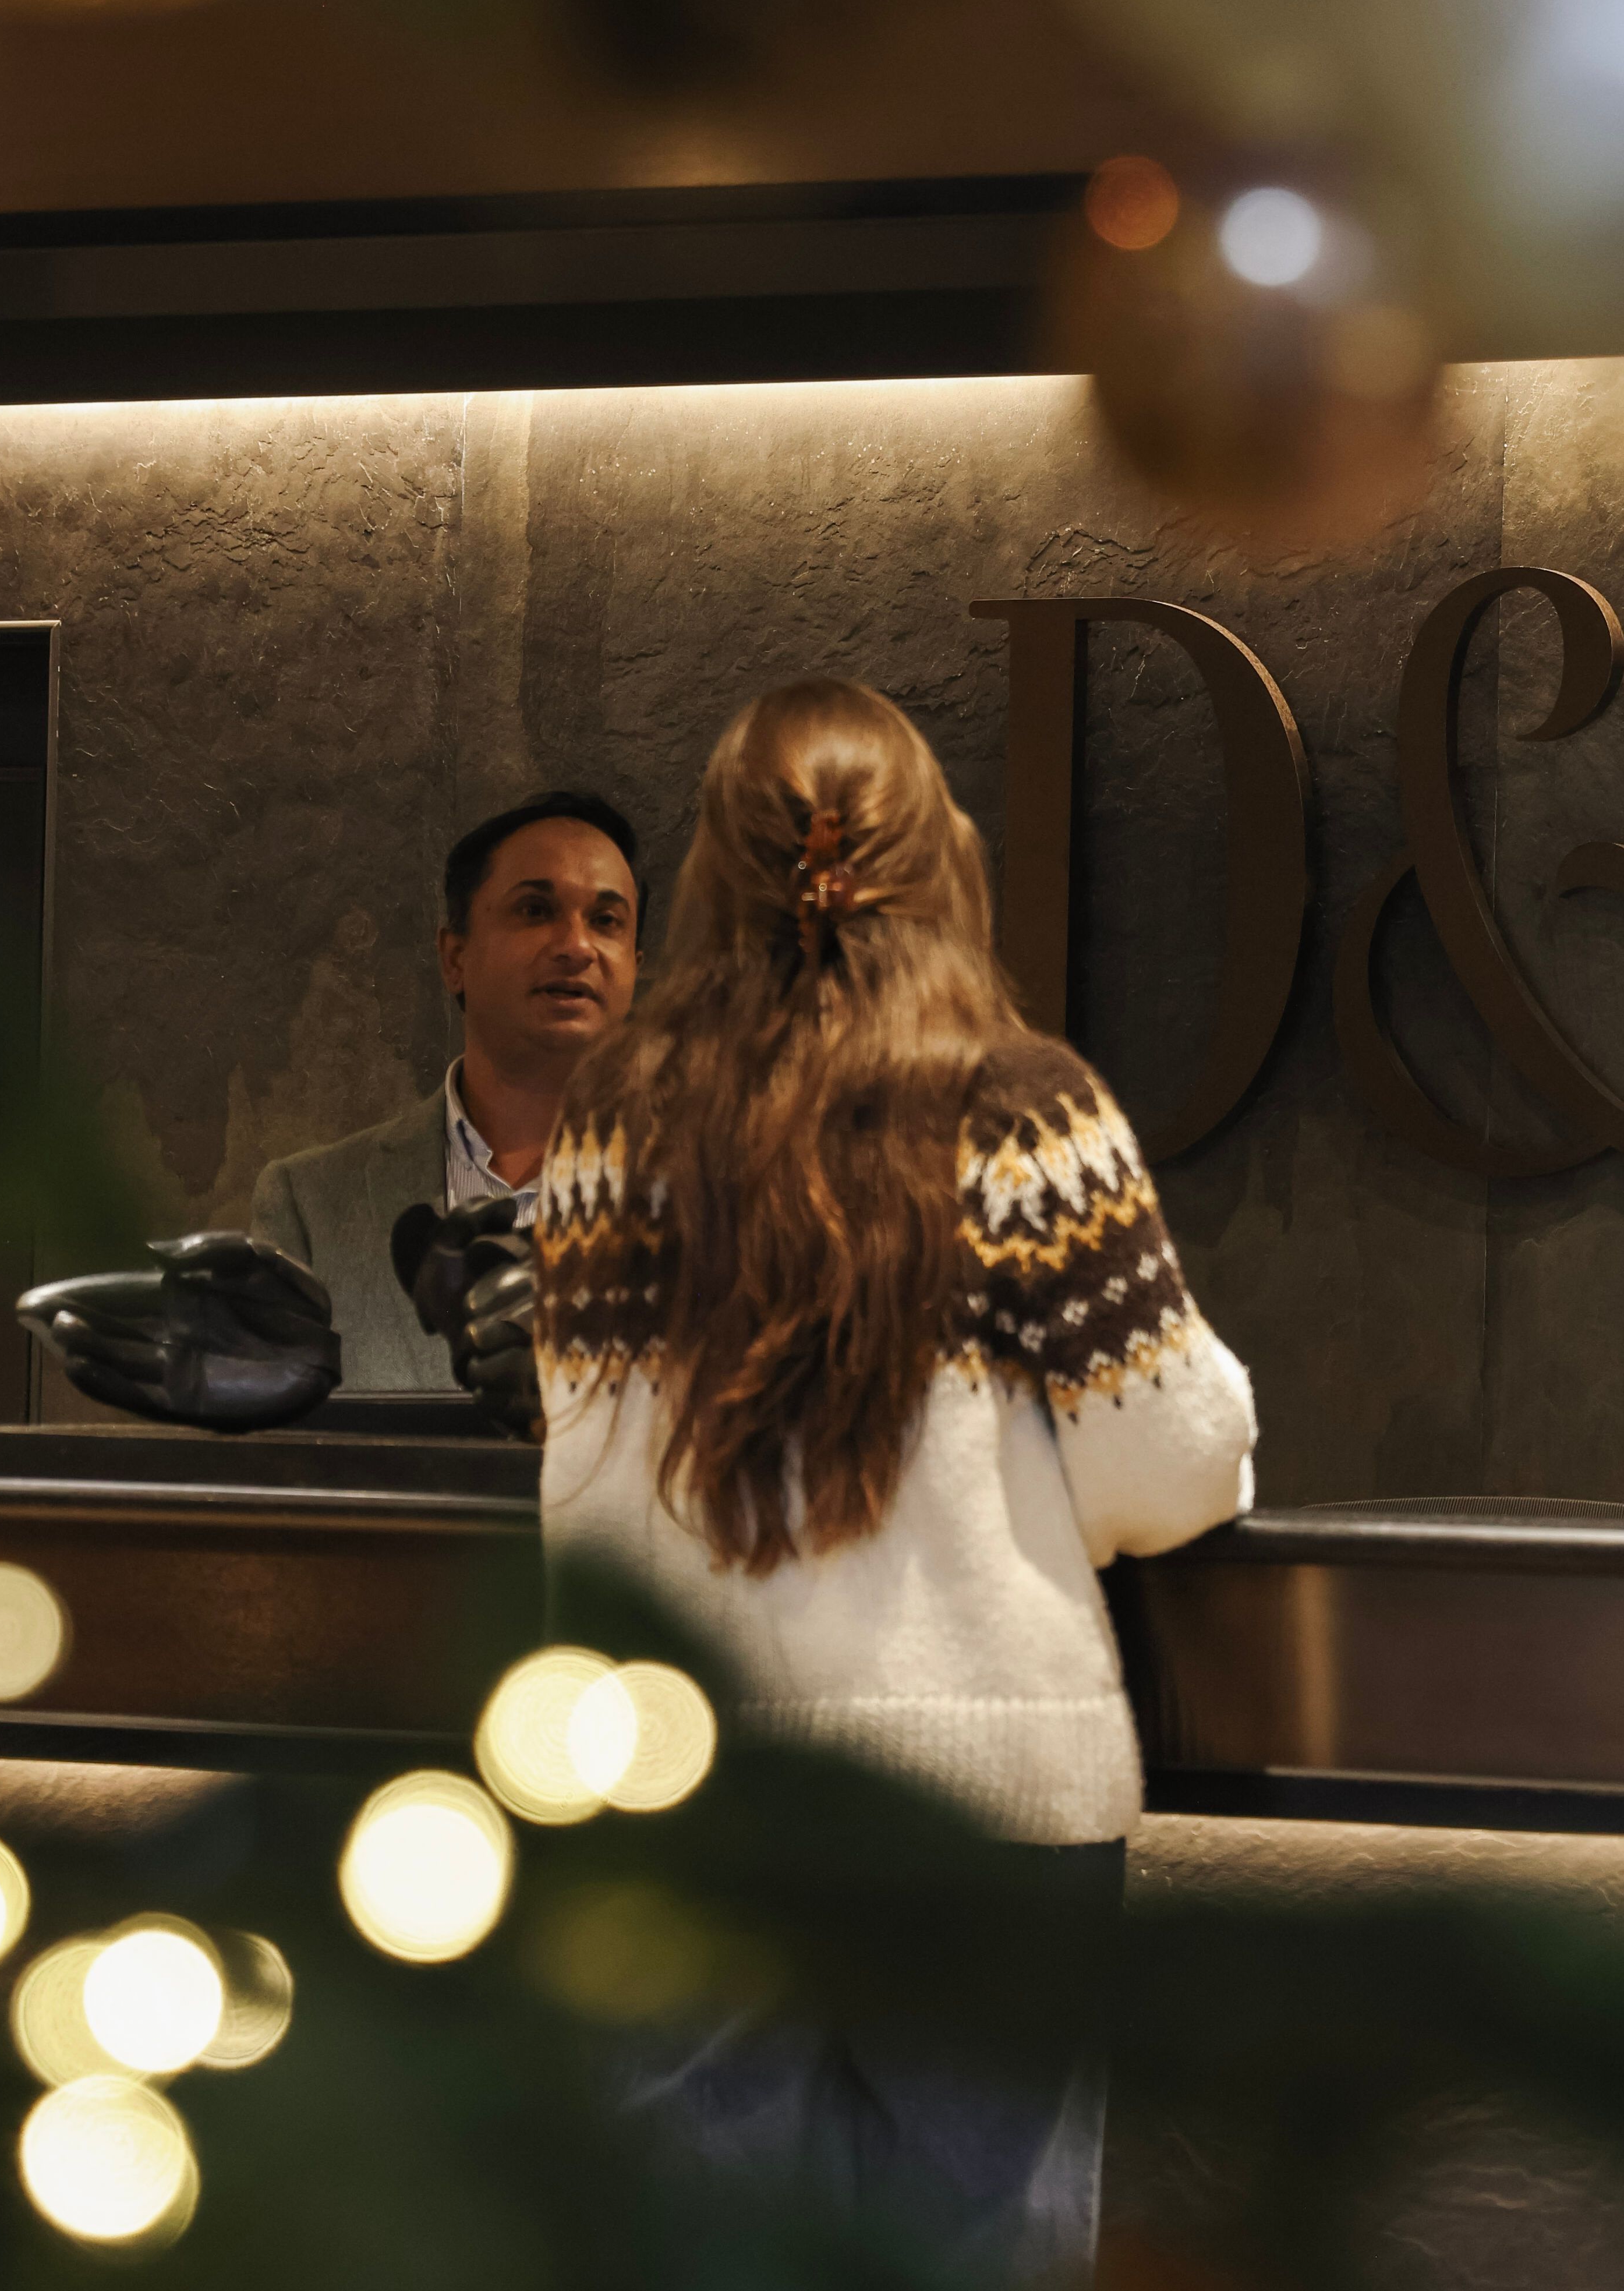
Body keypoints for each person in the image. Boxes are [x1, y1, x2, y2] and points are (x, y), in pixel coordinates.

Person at [533, 678, 1255, 2283]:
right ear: (943, 859)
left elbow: (577, 1500)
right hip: (984, 1818)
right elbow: (1176, 1465)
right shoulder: (1028, 1114)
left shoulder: (604, 1131)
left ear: (714, 872)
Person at [253, 790, 643, 1390]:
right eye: (536, 910)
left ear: (635, 965)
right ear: (454, 956)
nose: (576, 945)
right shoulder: (309, 1205)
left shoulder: (724, 1205)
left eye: (606, 921)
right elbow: (272, 1460)